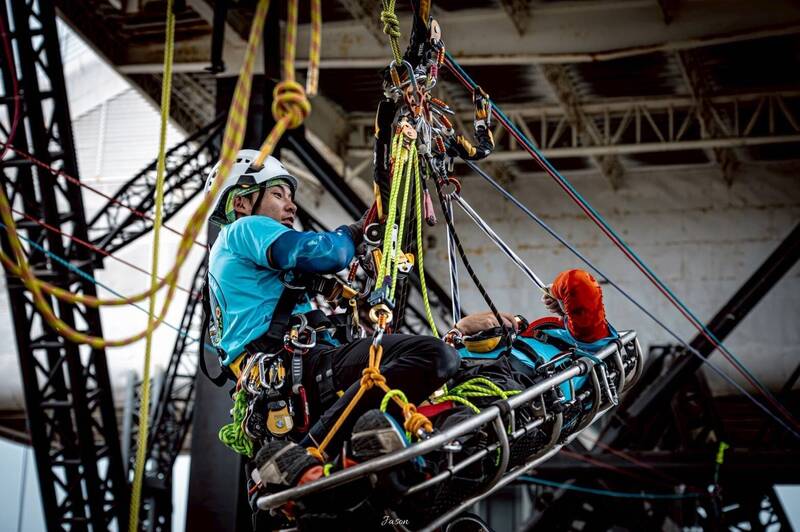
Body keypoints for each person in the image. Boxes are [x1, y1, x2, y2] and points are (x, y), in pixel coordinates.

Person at [205, 149, 460, 457]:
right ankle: (308, 454)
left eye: (289, 196)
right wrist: (352, 232)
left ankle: (310, 459)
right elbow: (327, 253)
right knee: (435, 357)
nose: (291, 205)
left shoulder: (237, 263)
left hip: (285, 384)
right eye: (277, 194)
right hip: (302, 368)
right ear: (241, 203)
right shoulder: (242, 229)